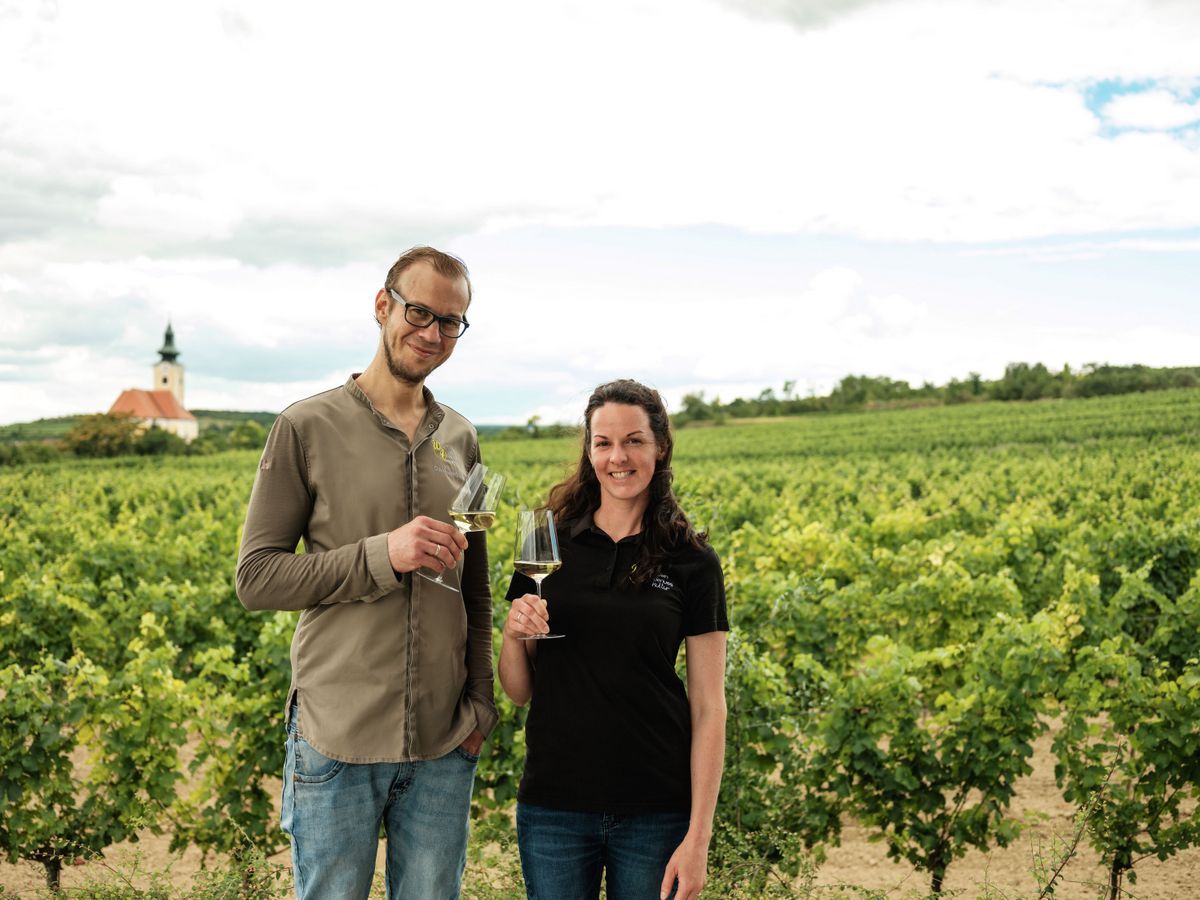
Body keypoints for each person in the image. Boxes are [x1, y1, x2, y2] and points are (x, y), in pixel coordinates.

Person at [236, 246, 497, 900]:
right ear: (383, 307)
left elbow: (478, 587)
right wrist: (385, 555)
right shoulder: (303, 427)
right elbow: (258, 579)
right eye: (419, 312)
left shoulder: (465, 440)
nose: (433, 333)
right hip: (337, 738)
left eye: (451, 321)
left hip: (443, 742)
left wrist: (482, 704)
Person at [499, 379, 728, 900]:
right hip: (554, 805)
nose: (617, 457)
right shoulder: (548, 542)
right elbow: (518, 689)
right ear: (589, 449)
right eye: (603, 442)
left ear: (660, 446)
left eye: (633, 441)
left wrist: (698, 837)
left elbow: (709, 708)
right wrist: (512, 635)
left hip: (655, 809)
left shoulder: (691, 560)